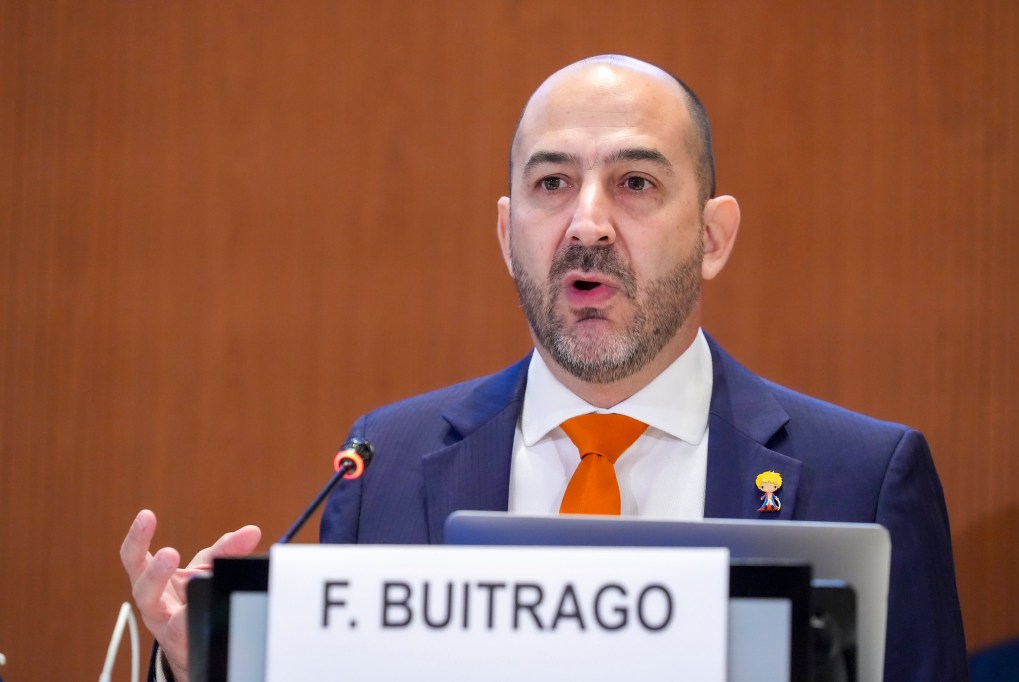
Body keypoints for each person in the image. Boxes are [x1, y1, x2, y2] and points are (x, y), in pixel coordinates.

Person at [121, 55, 968, 681]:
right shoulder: (385, 464)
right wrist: (204, 664)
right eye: (553, 183)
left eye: (636, 182)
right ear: (507, 234)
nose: (587, 224)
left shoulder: (865, 478)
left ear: (712, 237)